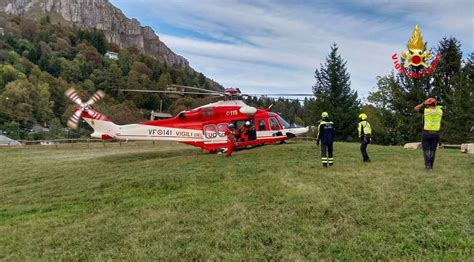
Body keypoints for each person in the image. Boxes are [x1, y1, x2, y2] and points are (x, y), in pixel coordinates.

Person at [414, 98, 444, 170]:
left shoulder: (426, 111)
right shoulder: (440, 111)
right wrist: (437, 103)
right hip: (436, 134)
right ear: (435, 104)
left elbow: (416, 108)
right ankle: (431, 166)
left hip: (426, 133)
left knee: (426, 150)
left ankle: (427, 166)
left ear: (427, 104)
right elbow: (441, 106)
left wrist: (423, 104)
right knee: (433, 150)